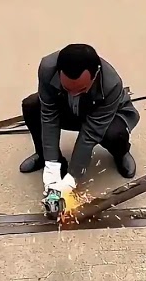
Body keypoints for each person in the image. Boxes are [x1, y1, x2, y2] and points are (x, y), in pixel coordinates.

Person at [18, 44, 139, 195]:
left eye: (81, 89)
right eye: (68, 89)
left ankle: (121, 153)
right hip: (69, 110)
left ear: (95, 75)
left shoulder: (111, 84)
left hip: (102, 116)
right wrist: (52, 166)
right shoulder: (47, 69)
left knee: (115, 134)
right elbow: (49, 116)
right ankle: (45, 156)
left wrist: (72, 177)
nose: (74, 94)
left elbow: (91, 133)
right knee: (31, 106)